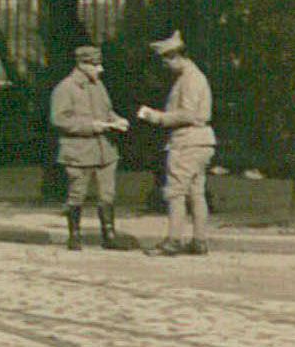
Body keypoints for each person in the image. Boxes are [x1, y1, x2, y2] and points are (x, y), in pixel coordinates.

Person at [135, 29, 216, 255]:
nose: (165, 66)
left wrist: (157, 117)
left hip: (186, 142)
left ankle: (173, 241)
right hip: (202, 142)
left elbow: (188, 113)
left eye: (166, 61)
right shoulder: (195, 76)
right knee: (196, 192)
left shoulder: (189, 79)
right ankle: (199, 241)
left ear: (175, 56)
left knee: (175, 193)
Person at [47, 43, 130, 250]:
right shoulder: (65, 88)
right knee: (77, 193)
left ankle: (109, 235)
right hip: (79, 150)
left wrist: (117, 120)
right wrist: (90, 126)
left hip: (105, 150)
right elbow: (59, 120)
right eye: (95, 65)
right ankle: (74, 235)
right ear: (82, 65)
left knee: (107, 194)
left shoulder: (98, 85)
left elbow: (107, 110)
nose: (99, 69)